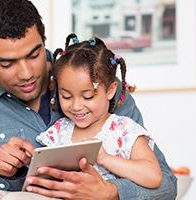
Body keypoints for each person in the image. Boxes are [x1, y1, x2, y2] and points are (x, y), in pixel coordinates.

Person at [0, 0, 177, 199]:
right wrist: (5, 173)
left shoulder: (98, 83)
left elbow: (166, 185)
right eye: (7, 64)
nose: (26, 73)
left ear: (44, 40)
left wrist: (111, 192)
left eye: (34, 55)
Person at [33, 34, 162, 191]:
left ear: (110, 90)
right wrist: (30, 159)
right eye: (66, 96)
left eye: (87, 96)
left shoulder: (123, 130)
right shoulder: (59, 131)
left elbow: (153, 176)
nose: (76, 105)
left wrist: (105, 159)